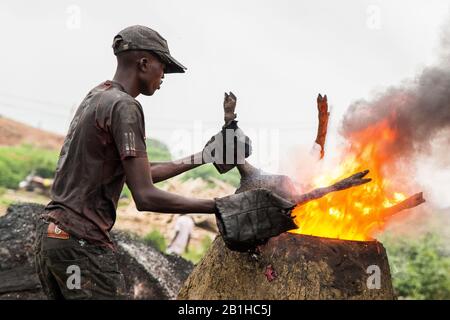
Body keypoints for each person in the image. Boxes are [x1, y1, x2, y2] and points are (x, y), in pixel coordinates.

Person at [34, 25, 251, 300]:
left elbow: (139, 174)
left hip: (52, 238)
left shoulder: (97, 96)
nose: (163, 77)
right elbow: (145, 196)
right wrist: (221, 206)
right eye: (163, 67)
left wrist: (202, 157)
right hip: (80, 244)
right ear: (144, 63)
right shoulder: (125, 106)